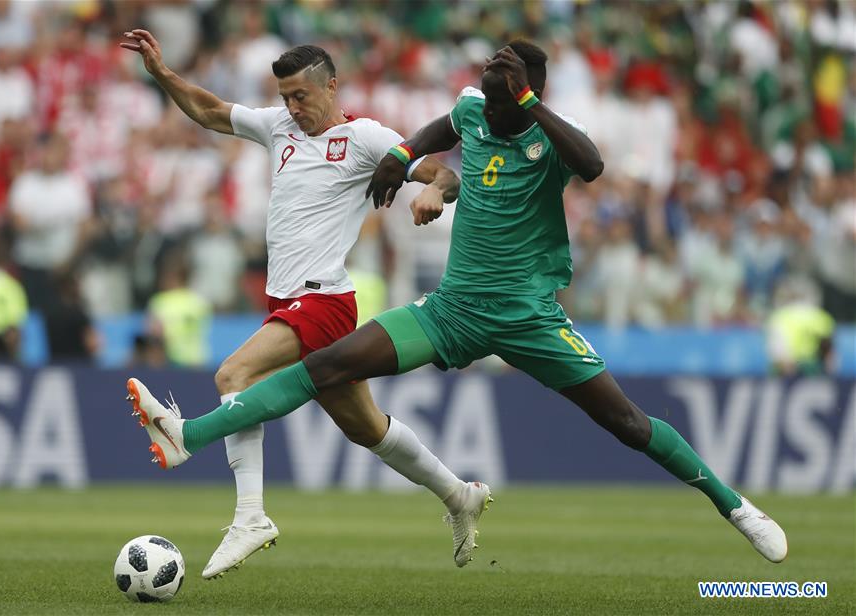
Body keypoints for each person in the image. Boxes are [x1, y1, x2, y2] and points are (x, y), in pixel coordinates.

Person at [128, 41, 787, 564]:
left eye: (505, 105)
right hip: (451, 310)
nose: (489, 116)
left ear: (528, 98)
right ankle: (191, 436)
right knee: (327, 366)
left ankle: (735, 508)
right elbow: (440, 129)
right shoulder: (476, 109)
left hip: (530, 318)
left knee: (628, 426)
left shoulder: (550, 137)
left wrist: (520, 108)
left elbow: (591, 166)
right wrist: (408, 161)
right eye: (488, 101)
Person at [119, 30, 489, 578]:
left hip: (324, 299)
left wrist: (434, 190)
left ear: (331, 86)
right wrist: (163, 74)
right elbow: (211, 111)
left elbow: (440, 170)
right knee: (367, 428)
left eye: (301, 96)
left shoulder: (364, 137)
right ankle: (458, 494)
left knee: (233, 375)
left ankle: (250, 516)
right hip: (288, 300)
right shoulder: (279, 128)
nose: (292, 107)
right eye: (285, 96)